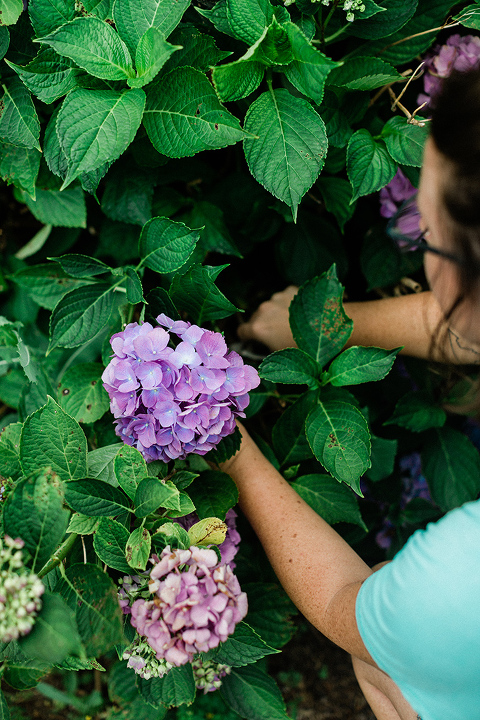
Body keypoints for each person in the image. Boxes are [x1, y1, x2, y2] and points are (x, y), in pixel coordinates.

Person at [217, 68, 480, 720]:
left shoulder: (461, 582)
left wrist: (228, 445)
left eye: (431, 237)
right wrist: (321, 327)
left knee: (383, 665)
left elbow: (344, 601)